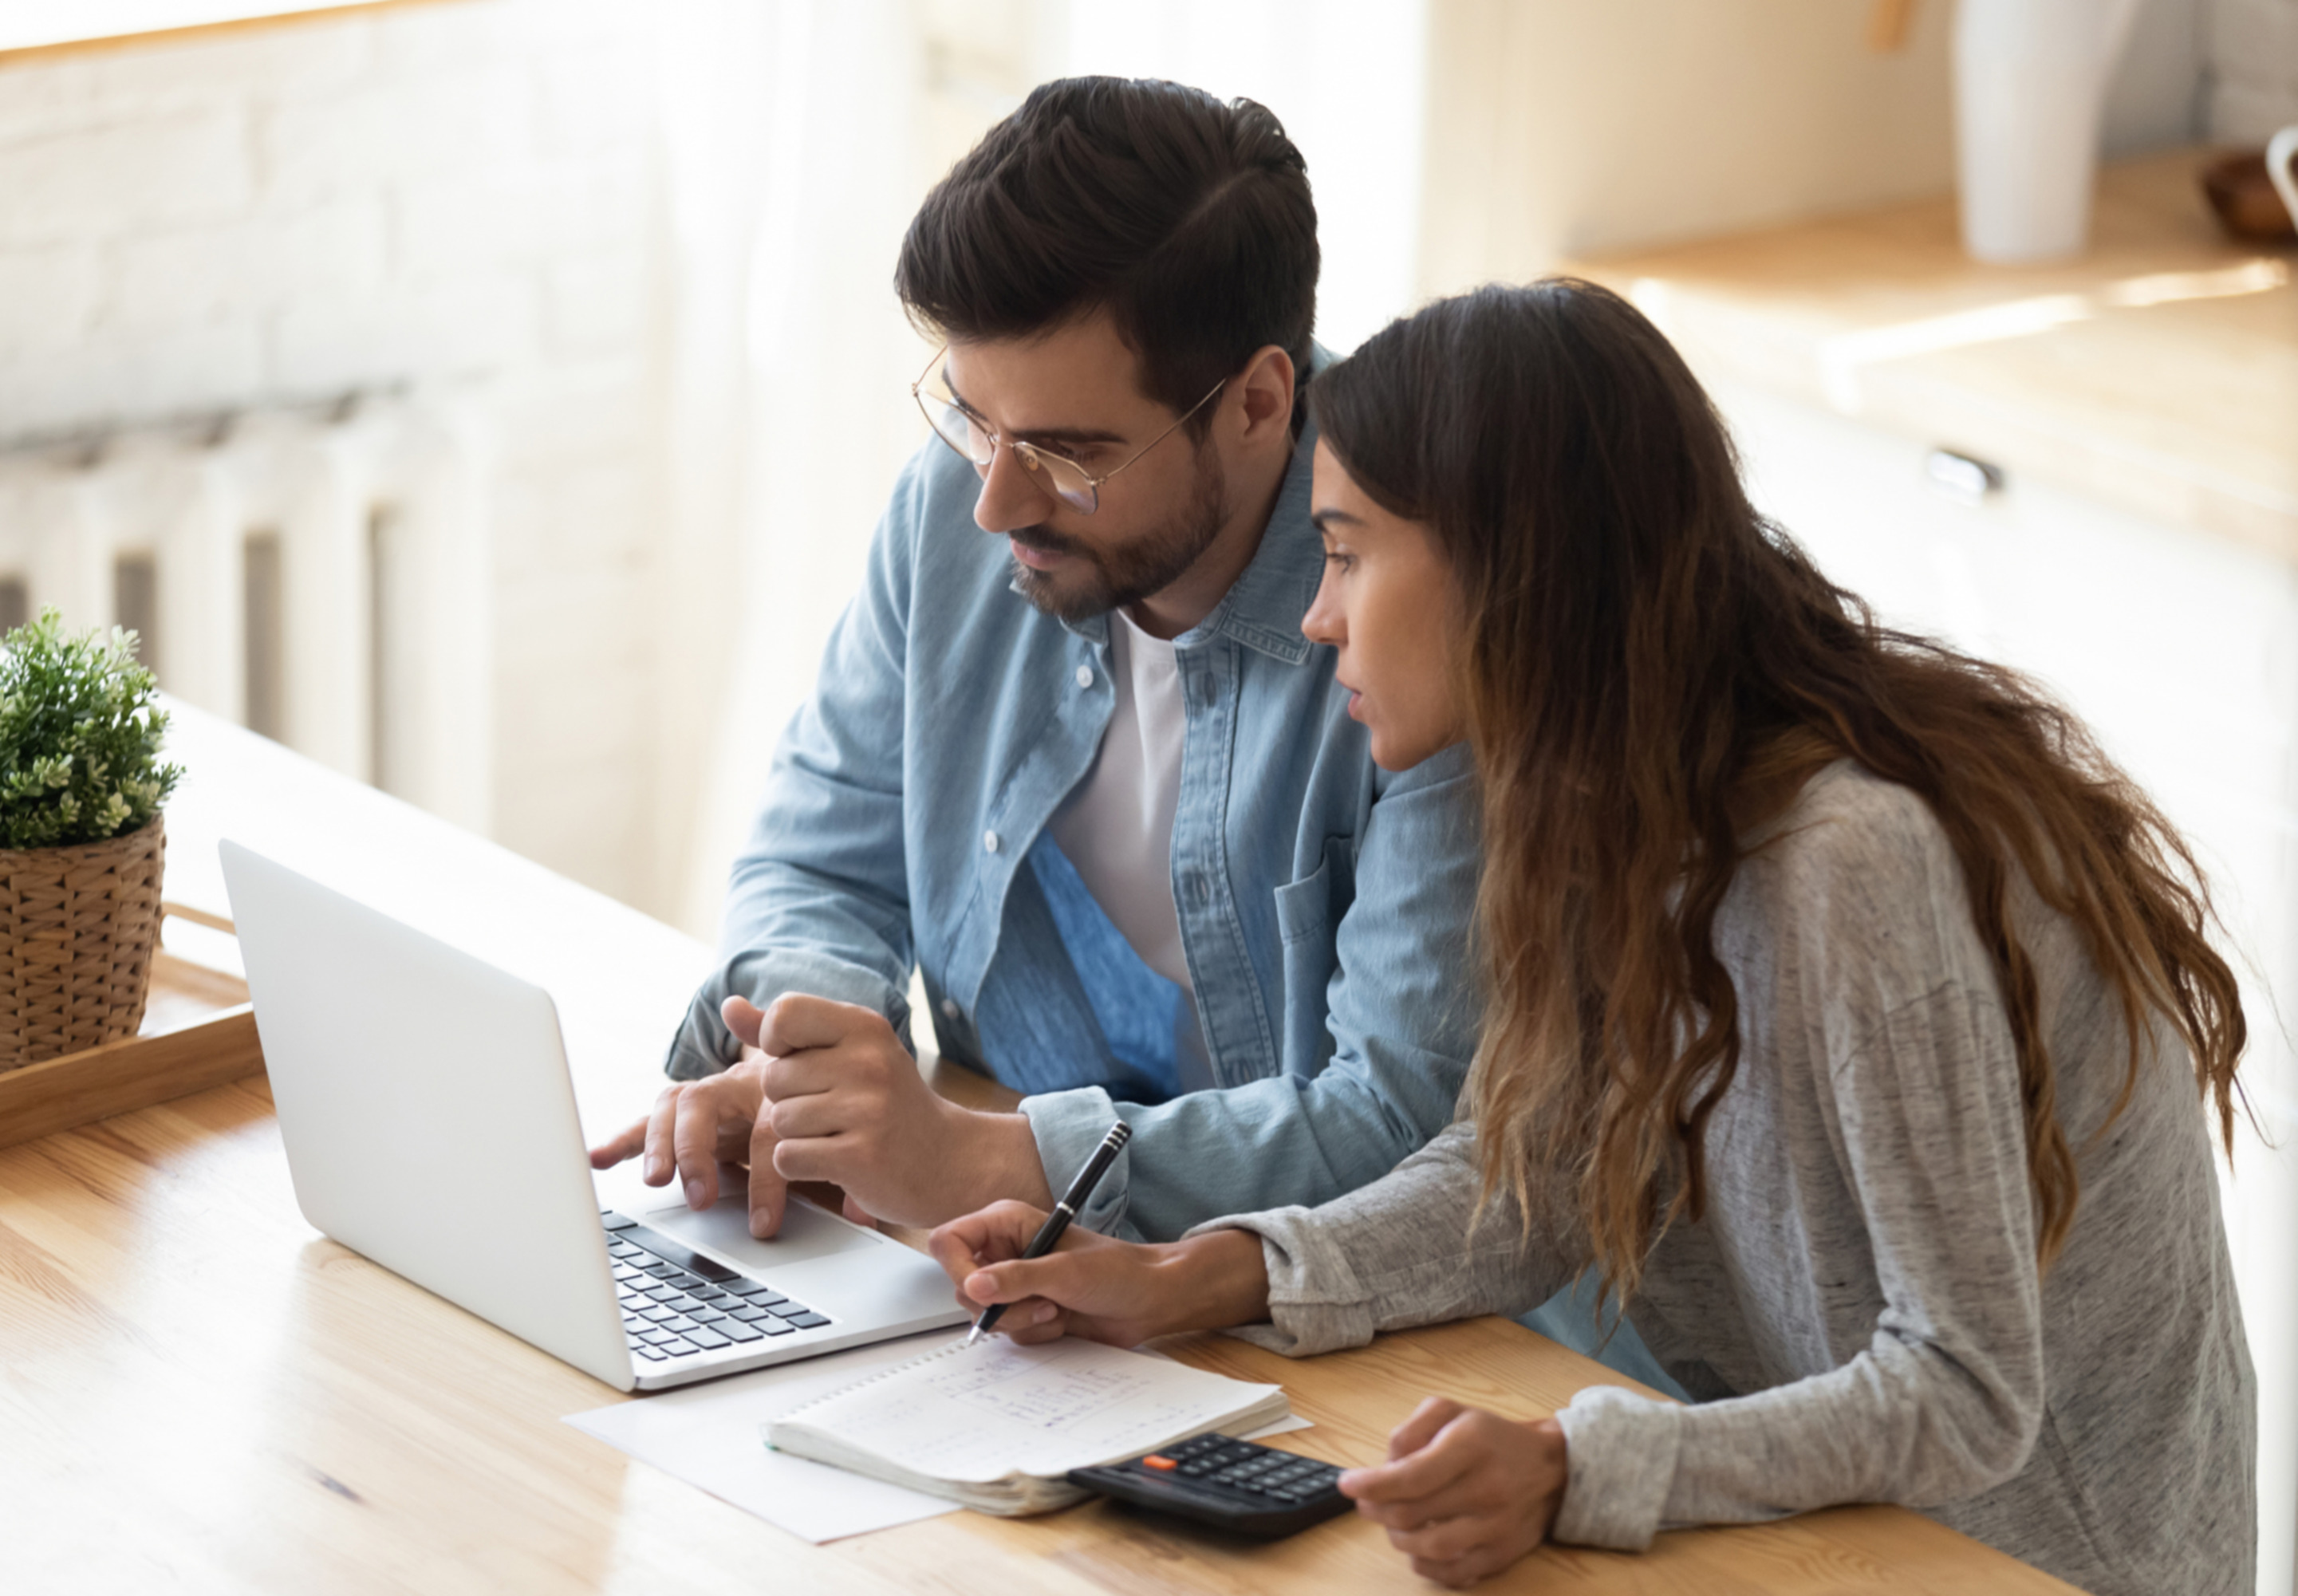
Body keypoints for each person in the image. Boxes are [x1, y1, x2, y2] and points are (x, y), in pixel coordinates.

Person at [928, 279, 2257, 1596]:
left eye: (1345, 551)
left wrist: (1575, 1465)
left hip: (2035, 1563)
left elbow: (1965, 1391)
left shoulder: (1848, 861)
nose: (1318, 613)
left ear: (1517, 569)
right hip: (1838, 1535)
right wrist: (1193, 1276)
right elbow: (1534, 1175)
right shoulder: (1604, 803)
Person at [586, 75, 1682, 1396]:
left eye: (1065, 449)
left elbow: (1411, 1122)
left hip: (1361, 1347)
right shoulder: (969, 493)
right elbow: (827, 848)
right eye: (974, 417)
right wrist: (811, 1064)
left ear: (1259, 402)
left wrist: (977, 1157)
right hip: (1025, 1304)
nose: (995, 499)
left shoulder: (1434, 604)